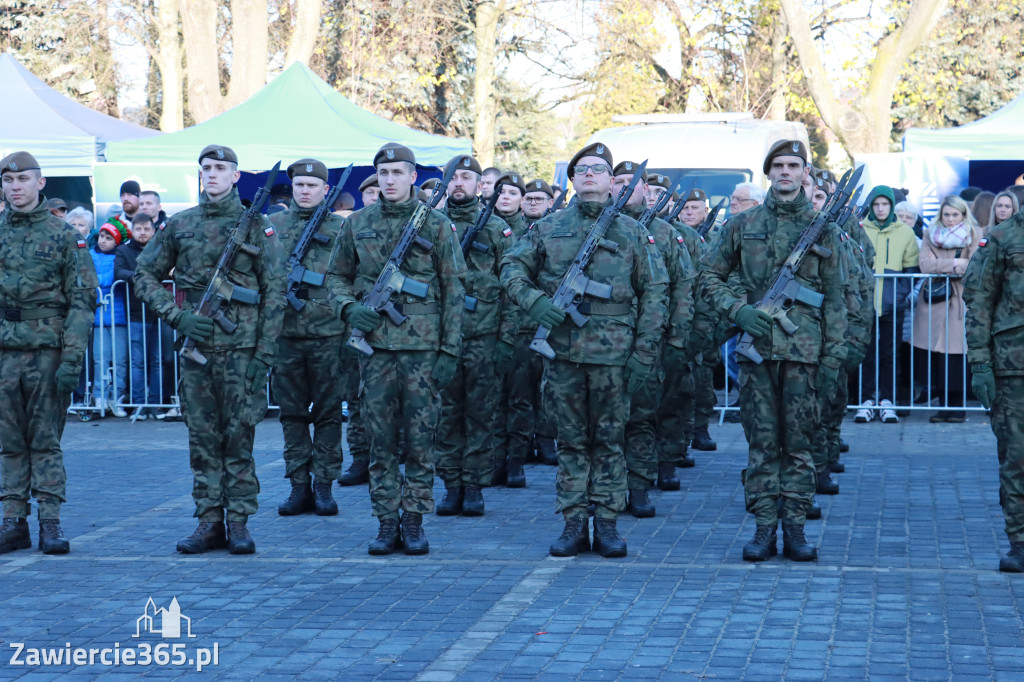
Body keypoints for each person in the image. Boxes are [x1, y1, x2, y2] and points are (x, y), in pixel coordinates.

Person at [501, 141, 669, 558]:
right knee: (572, 443)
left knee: (611, 442)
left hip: (615, 358)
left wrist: (644, 355)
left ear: (613, 182)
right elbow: (510, 267)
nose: (590, 175)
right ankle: (574, 521)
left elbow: (655, 294)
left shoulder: (632, 231)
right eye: (582, 170)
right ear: (572, 180)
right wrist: (534, 301)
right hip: (564, 357)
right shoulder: (548, 227)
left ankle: (608, 524)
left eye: (599, 170)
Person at [700, 140, 847, 562]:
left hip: (805, 354)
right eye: (778, 165)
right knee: (762, 443)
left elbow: (839, 297)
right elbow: (709, 275)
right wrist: (738, 311)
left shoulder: (825, 229)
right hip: (756, 353)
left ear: (806, 174)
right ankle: (765, 527)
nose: (785, 172)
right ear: (768, 173)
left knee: (799, 443)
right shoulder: (741, 226)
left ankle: (796, 528)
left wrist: (834, 355)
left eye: (793, 165)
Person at [135, 145, 286, 555]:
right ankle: (208, 521)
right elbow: (143, 275)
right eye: (206, 168)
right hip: (197, 349)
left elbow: (275, 293)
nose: (212, 175)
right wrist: (175, 315)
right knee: (202, 440)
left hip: (242, 350)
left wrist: (264, 355)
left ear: (236, 176)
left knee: (239, 438)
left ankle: (238, 522)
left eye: (221, 169)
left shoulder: (258, 227)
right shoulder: (180, 225)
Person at [327, 142, 467, 556]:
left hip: (423, 350)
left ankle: (414, 519)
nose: (389, 180)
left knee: (422, 439)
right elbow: (335, 277)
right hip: (375, 352)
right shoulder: (356, 224)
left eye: (397, 173)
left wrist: (449, 351)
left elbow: (454, 289)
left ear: (412, 177)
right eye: (383, 174)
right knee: (380, 439)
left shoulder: (437, 225)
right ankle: (387, 521)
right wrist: (350, 308)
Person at [0, 151, 98, 555]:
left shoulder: (62, 235)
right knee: (8, 440)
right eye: (8, 180)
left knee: (45, 440)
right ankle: (12, 520)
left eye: (23, 179)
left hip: (47, 352)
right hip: (5, 351)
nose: (15, 186)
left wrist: (72, 358)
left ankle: (50, 522)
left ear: (40, 183)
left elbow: (81, 300)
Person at [612, 160, 695, 518]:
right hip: (602, 340)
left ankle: (639, 485)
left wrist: (677, 339)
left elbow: (682, 289)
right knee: (605, 421)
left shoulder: (663, 234)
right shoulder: (597, 228)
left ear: (647, 191)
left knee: (643, 416)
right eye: (618, 181)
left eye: (634, 183)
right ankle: (607, 489)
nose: (625, 188)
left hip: (649, 340)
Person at [269, 159, 350, 518]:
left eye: (311, 185)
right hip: (286, 335)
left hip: (330, 335)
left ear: (325, 190)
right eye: (299, 185)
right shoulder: (272, 226)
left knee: (330, 414)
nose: (305, 191)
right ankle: (298, 485)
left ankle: (324, 485)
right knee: (292, 415)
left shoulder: (341, 228)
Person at [435, 154, 513, 512]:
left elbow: (514, 285)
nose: (459, 183)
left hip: (484, 337)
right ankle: (451, 484)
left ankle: (475, 485)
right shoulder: (430, 224)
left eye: (467, 177)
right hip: (440, 338)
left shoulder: (498, 229)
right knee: (445, 414)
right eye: (454, 177)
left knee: (481, 413)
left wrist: (506, 338)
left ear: (481, 185)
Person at [964, 206, 1024, 572]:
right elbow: (979, 300)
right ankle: (1020, 541)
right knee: (1017, 458)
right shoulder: (1004, 237)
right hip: (1013, 365)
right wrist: (980, 362)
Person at [504, 179, 559, 472]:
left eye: (541, 198)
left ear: (551, 202)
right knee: (520, 393)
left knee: (548, 391)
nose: (534, 202)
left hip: (553, 324)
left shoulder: (559, 232)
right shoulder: (512, 234)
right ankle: (520, 448)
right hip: (520, 325)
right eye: (530, 198)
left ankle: (548, 441)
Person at [912, 195, 981, 423]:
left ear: (963, 215)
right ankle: (943, 407)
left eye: (955, 214)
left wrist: (946, 266)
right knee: (938, 355)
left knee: (958, 355)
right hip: (936, 299)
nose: (950, 219)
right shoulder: (930, 233)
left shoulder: (974, 234)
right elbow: (925, 265)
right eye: (946, 214)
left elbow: (972, 266)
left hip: (960, 300)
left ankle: (958, 407)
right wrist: (955, 265)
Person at [855, 185, 919, 424]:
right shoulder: (859, 228)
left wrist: (900, 295)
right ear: (870, 206)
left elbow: (911, 269)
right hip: (864, 302)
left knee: (891, 353)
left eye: (885, 204)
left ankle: (888, 400)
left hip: (893, 303)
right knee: (866, 353)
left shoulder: (905, 232)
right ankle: (866, 400)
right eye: (876, 204)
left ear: (892, 206)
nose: (881, 209)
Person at [114, 212, 162, 418]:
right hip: (135, 313)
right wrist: (140, 277)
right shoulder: (123, 250)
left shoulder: (160, 250)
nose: (142, 232)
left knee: (158, 361)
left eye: (146, 229)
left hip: (161, 313)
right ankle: (140, 404)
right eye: (138, 229)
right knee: (137, 362)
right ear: (132, 230)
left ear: (153, 230)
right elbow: (119, 272)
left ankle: (157, 404)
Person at [90, 220, 130, 418]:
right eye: (102, 236)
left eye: (109, 238)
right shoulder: (90, 255)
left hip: (119, 315)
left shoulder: (120, 257)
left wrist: (100, 282)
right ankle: (100, 396)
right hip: (98, 316)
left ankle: (118, 397)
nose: (103, 241)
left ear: (117, 242)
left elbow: (110, 278)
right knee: (100, 358)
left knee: (120, 359)